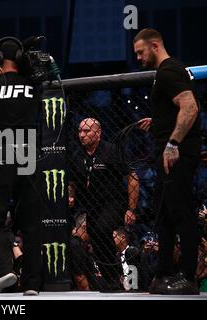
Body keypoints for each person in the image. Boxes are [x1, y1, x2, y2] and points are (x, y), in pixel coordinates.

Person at [0, 36, 42, 296]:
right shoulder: (34, 85)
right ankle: (33, 284)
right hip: (28, 149)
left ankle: (3, 270)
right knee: (31, 219)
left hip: (2, 148)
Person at [134, 28, 201, 294]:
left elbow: (190, 106)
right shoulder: (170, 71)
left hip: (175, 154)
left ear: (154, 45)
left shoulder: (168, 71)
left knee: (181, 213)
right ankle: (163, 273)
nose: (138, 58)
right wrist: (160, 122)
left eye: (140, 52)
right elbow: (176, 107)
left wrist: (173, 143)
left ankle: (187, 277)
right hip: (166, 152)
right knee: (164, 215)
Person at [69, 118, 139, 291]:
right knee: (96, 237)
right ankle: (112, 279)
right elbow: (72, 182)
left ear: (98, 133)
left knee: (102, 229)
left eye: (87, 131)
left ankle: (117, 276)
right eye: (80, 131)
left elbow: (132, 176)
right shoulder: (78, 156)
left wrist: (131, 208)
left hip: (114, 202)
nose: (82, 135)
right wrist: (70, 195)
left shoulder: (112, 151)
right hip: (91, 205)